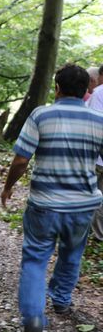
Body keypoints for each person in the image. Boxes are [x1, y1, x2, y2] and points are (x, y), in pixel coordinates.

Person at [1, 64, 103, 332]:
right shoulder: (99, 121)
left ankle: (34, 317)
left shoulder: (41, 115)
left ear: (57, 88)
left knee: (35, 258)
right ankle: (61, 300)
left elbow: (22, 159)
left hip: (44, 205)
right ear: (86, 91)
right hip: (82, 205)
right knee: (72, 253)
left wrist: (8, 186)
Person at [85, 65, 103, 241]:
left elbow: (96, 123)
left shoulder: (98, 92)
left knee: (91, 193)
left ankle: (92, 232)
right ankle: (98, 234)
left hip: (97, 156)